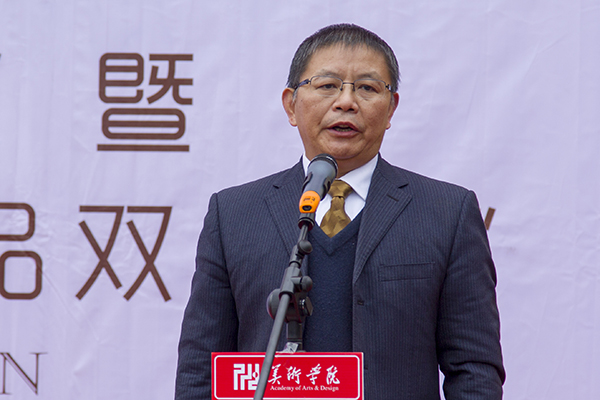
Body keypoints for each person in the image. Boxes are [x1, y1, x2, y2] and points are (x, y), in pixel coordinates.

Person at [175, 23, 505, 399]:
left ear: (392, 108)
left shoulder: (447, 213)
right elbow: (200, 368)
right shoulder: (234, 215)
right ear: (290, 104)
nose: (346, 102)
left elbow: (474, 370)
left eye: (367, 88)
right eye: (328, 85)